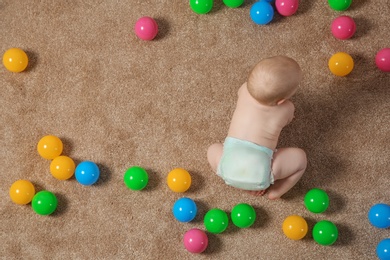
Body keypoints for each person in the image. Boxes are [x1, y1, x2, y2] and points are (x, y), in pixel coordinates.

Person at [207, 55, 307, 200]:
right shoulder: (286, 108)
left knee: (212, 149)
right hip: (260, 175)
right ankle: (277, 191)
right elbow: (288, 120)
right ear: (281, 101)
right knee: (301, 160)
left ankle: (237, 182)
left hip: (227, 168)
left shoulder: (243, 89)